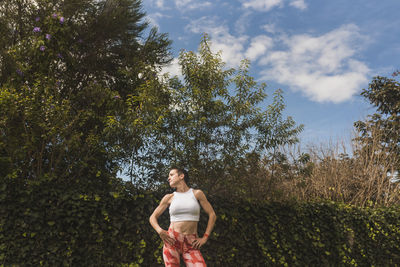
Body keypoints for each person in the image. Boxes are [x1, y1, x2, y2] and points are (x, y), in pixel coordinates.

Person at [149, 167, 217, 267]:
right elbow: (152, 217)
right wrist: (160, 231)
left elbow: (212, 215)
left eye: (171, 175)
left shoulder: (197, 194)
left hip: (191, 243)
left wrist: (205, 237)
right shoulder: (169, 197)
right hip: (172, 241)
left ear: (181, 176)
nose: (168, 178)